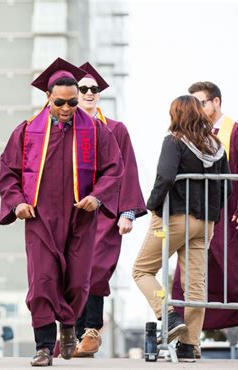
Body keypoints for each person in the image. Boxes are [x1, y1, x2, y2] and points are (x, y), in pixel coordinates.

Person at [0, 57, 124, 366]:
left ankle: (68, 325)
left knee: (78, 281)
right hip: (40, 218)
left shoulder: (95, 131)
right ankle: (44, 346)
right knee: (42, 280)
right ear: (47, 98)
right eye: (60, 103)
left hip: (80, 217)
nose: (67, 109)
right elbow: (9, 171)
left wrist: (97, 197)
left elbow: (114, 169)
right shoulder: (27, 131)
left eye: (72, 102)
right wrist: (17, 203)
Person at [132, 95, 230, 362]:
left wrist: (152, 205)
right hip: (206, 223)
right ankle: (189, 346)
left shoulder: (174, 141)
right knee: (195, 284)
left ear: (176, 115)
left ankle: (168, 315)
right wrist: (212, 214)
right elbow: (227, 187)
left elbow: (165, 176)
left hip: (174, 217)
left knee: (142, 269)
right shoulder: (217, 146)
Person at [171, 81, 238, 350]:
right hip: (202, 219)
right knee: (186, 284)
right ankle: (186, 341)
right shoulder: (191, 135)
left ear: (216, 102)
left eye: (202, 102)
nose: (197, 108)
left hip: (233, 223)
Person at [72, 62, 146, 357]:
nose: (90, 93)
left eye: (94, 89)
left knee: (96, 269)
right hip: (72, 212)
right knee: (72, 271)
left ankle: (88, 331)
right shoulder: (64, 129)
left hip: (106, 212)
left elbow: (128, 169)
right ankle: (72, 333)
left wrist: (128, 212)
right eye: (84, 89)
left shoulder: (115, 129)